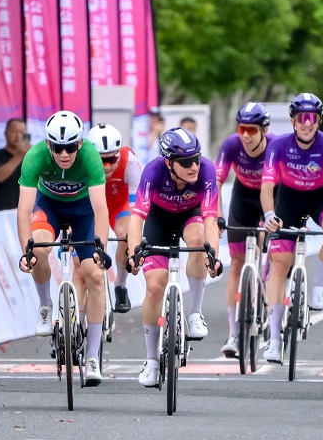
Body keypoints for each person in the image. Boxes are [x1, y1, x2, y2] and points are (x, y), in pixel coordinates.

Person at [16, 111, 111, 387]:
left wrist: (101, 248)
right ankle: (46, 305)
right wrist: (27, 252)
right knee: (40, 250)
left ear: (80, 144)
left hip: (84, 213)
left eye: (71, 147)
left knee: (94, 275)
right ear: (49, 145)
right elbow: (23, 211)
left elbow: (100, 209)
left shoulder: (90, 156)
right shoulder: (35, 156)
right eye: (58, 148)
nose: (65, 154)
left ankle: (92, 355)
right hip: (49, 207)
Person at [126, 128, 223, 387]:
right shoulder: (153, 171)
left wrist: (213, 255)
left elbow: (211, 219)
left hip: (190, 215)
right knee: (155, 287)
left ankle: (194, 312)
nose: (194, 166)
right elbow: (137, 218)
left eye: (197, 159)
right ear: (169, 163)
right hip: (159, 219)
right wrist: (134, 252)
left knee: (197, 239)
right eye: (185, 162)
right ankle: (151, 360)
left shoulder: (207, 170)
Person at [260, 93, 323, 363]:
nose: (308, 124)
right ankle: (273, 339)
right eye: (302, 118)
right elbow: (268, 185)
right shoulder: (279, 145)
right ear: (293, 120)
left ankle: (318, 285)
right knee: (279, 265)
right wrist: (269, 213)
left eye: (313, 118)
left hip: (320, 198)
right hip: (289, 202)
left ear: (319, 121)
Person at [216, 102, 272, 357]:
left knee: (274, 253)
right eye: (242, 129)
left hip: (271, 196)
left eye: (252, 130)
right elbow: (215, 183)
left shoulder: (275, 146)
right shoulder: (231, 145)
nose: (246, 136)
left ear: (264, 130)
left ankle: (270, 304)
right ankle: (234, 334)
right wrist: (216, 214)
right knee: (237, 263)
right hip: (243, 197)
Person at [87, 122, 140, 313]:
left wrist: (134, 243)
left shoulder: (129, 161)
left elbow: (137, 209)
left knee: (125, 234)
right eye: (102, 161)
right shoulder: (81, 163)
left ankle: (120, 285)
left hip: (120, 206)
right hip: (91, 207)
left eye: (112, 159)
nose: (108, 166)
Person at [0, 118, 29, 211]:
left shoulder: (30, 158)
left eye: (22, 132)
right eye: (14, 132)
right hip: (1, 213)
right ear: (5, 133)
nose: (18, 136)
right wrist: (20, 155)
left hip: (25, 212)